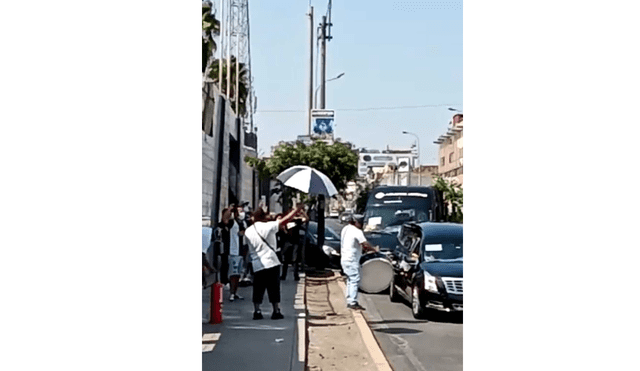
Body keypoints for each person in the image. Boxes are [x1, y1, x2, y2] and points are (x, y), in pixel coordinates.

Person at [244, 204, 306, 320]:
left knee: (258, 288)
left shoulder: (248, 231)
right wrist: (295, 210)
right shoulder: (269, 226)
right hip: (271, 261)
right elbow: (285, 220)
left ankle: (257, 311)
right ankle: (276, 310)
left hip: (257, 263)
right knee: (274, 288)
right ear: (263, 217)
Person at [340, 214, 377, 310]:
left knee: (350, 279)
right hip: (352, 259)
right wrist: (374, 249)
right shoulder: (357, 231)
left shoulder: (346, 229)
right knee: (355, 279)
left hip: (344, 258)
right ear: (357, 222)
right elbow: (364, 243)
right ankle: (352, 302)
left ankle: (349, 300)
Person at [219, 206, 244, 301]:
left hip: (239, 251)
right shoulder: (230, 223)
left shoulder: (239, 222)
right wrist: (230, 209)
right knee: (233, 274)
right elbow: (225, 220)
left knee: (238, 274)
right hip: (232, 251)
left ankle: (235, 292)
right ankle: (232, 293)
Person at [280, 209, 308, 281]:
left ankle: (296, 276)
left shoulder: (297, 221)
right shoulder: (286, 221)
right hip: (287, 241)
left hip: (295, 241)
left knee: (294, 260)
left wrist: (302, 212)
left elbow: (306, 219)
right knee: (286, 260)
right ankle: (283, 275)